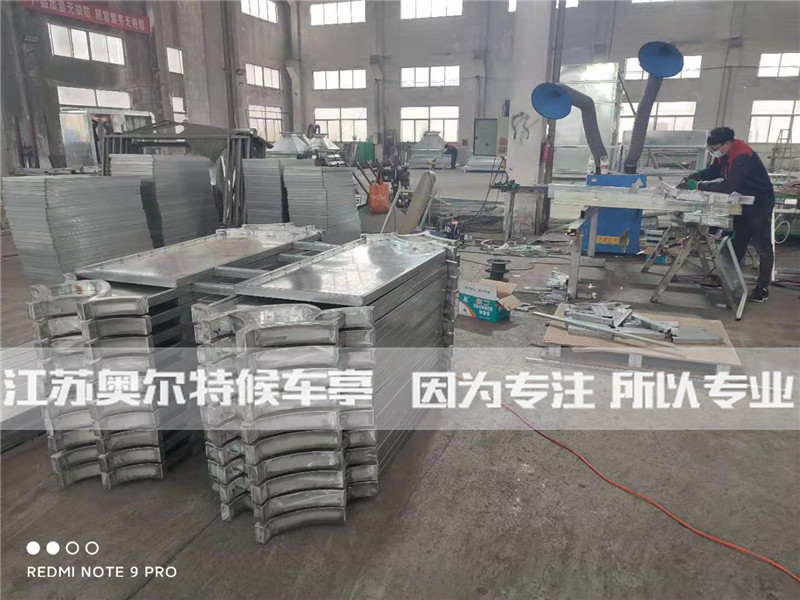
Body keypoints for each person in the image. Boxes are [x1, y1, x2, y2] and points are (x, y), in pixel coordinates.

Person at [679, 127, 775, 302]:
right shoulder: (725, 153)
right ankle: (730, 280)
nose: (713, 152)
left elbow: (728, 186)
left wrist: (698, 186)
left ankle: (762, 287)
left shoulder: (742, 156)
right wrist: (698, 175)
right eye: (710, 149)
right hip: (743, 201)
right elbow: (715, 170)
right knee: (738, 241)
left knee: (762, 246)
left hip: (760, 203)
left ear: (727, 144)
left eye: (715, 149)